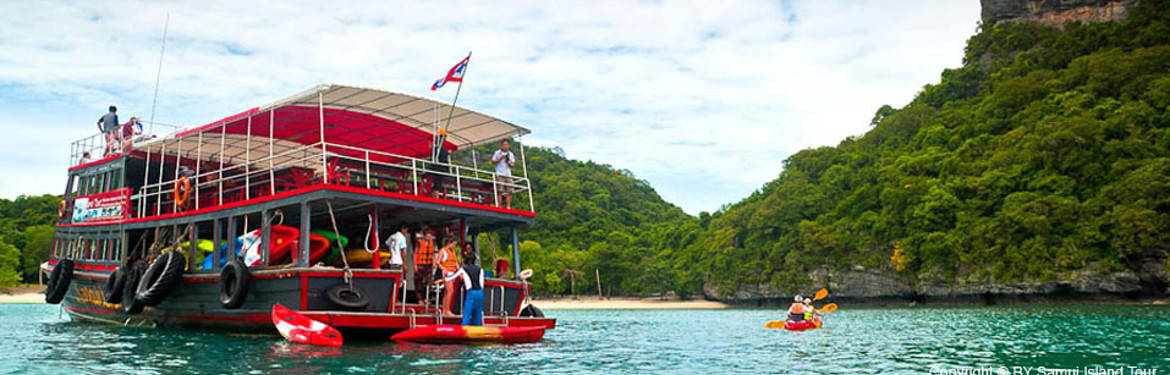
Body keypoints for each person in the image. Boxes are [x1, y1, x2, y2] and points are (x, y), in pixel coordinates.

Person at [437, 252, 485, 326]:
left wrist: (444, 279)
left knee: (467, 312)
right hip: (480, 292)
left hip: (471, 292)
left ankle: (464, 327)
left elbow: (453, 277)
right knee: (478, 313)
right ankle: (478, 327)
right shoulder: (480, 269)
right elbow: (482, 283)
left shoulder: (464, 269)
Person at [436, 237, 460, 315]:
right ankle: (447, 310)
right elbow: (438, 262)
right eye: (453, 244)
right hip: (446, 273)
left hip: (452, 273)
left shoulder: (453, 252)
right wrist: (444, 269)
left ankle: (444, 310)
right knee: (450, 291)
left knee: (447, 292)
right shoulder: (442, 251)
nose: (454, 246)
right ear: (449, 242)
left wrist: (459, 270)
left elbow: (455, 262)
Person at [491, 140, 516, 209]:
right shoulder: (497, 153)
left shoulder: (510, 154)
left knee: (510, 191)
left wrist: (507, 161)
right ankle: (499, 206)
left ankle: (508, 206)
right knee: (500, 190)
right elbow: (493, 162)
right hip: (500, 173)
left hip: (508, 174)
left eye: (507, 144)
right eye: (504, 144)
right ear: (502, 145)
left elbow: (512, 164)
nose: (505, 146)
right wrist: (500, 158)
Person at [413, 226, 435, 303]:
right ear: (424, 235)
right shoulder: (419, 242)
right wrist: (415, 265)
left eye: (430, 235)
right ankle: (420, 299)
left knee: (429, 282)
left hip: (428, 265)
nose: (429, 236)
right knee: (419, 283)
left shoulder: (432, 243)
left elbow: (433, 254)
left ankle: (426, 298)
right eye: (428, 235)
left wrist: (434, 263)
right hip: (420, 265)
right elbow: (415, 253)